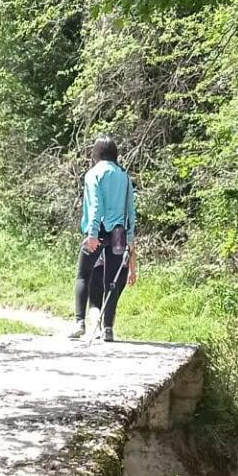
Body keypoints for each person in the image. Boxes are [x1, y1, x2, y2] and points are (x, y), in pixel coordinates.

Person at [70, 136, 136, 342]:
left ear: (96, 153)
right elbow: (130, 210)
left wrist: (91, 234)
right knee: (111, 282)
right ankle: (108, 329)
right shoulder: (124, 176)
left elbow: (96, 205)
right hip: (118, 233)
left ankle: (79, 322)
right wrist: (130, 238)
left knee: (83, 275)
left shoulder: (93, 174)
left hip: (97, 231)